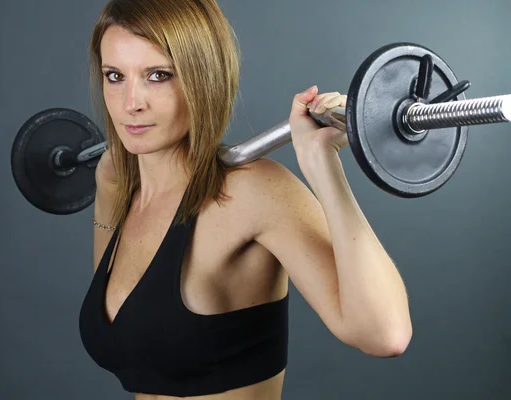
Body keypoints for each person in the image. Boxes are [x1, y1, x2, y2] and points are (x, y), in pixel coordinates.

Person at [78, 0, 413, 399]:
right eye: (114, 75)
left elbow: (385, 335)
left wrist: (321, 163)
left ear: (204, 79)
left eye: (158, 75)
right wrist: (109, 186)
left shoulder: (251, 191)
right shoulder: (119, 183)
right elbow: (131, 324)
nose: (130, 102)